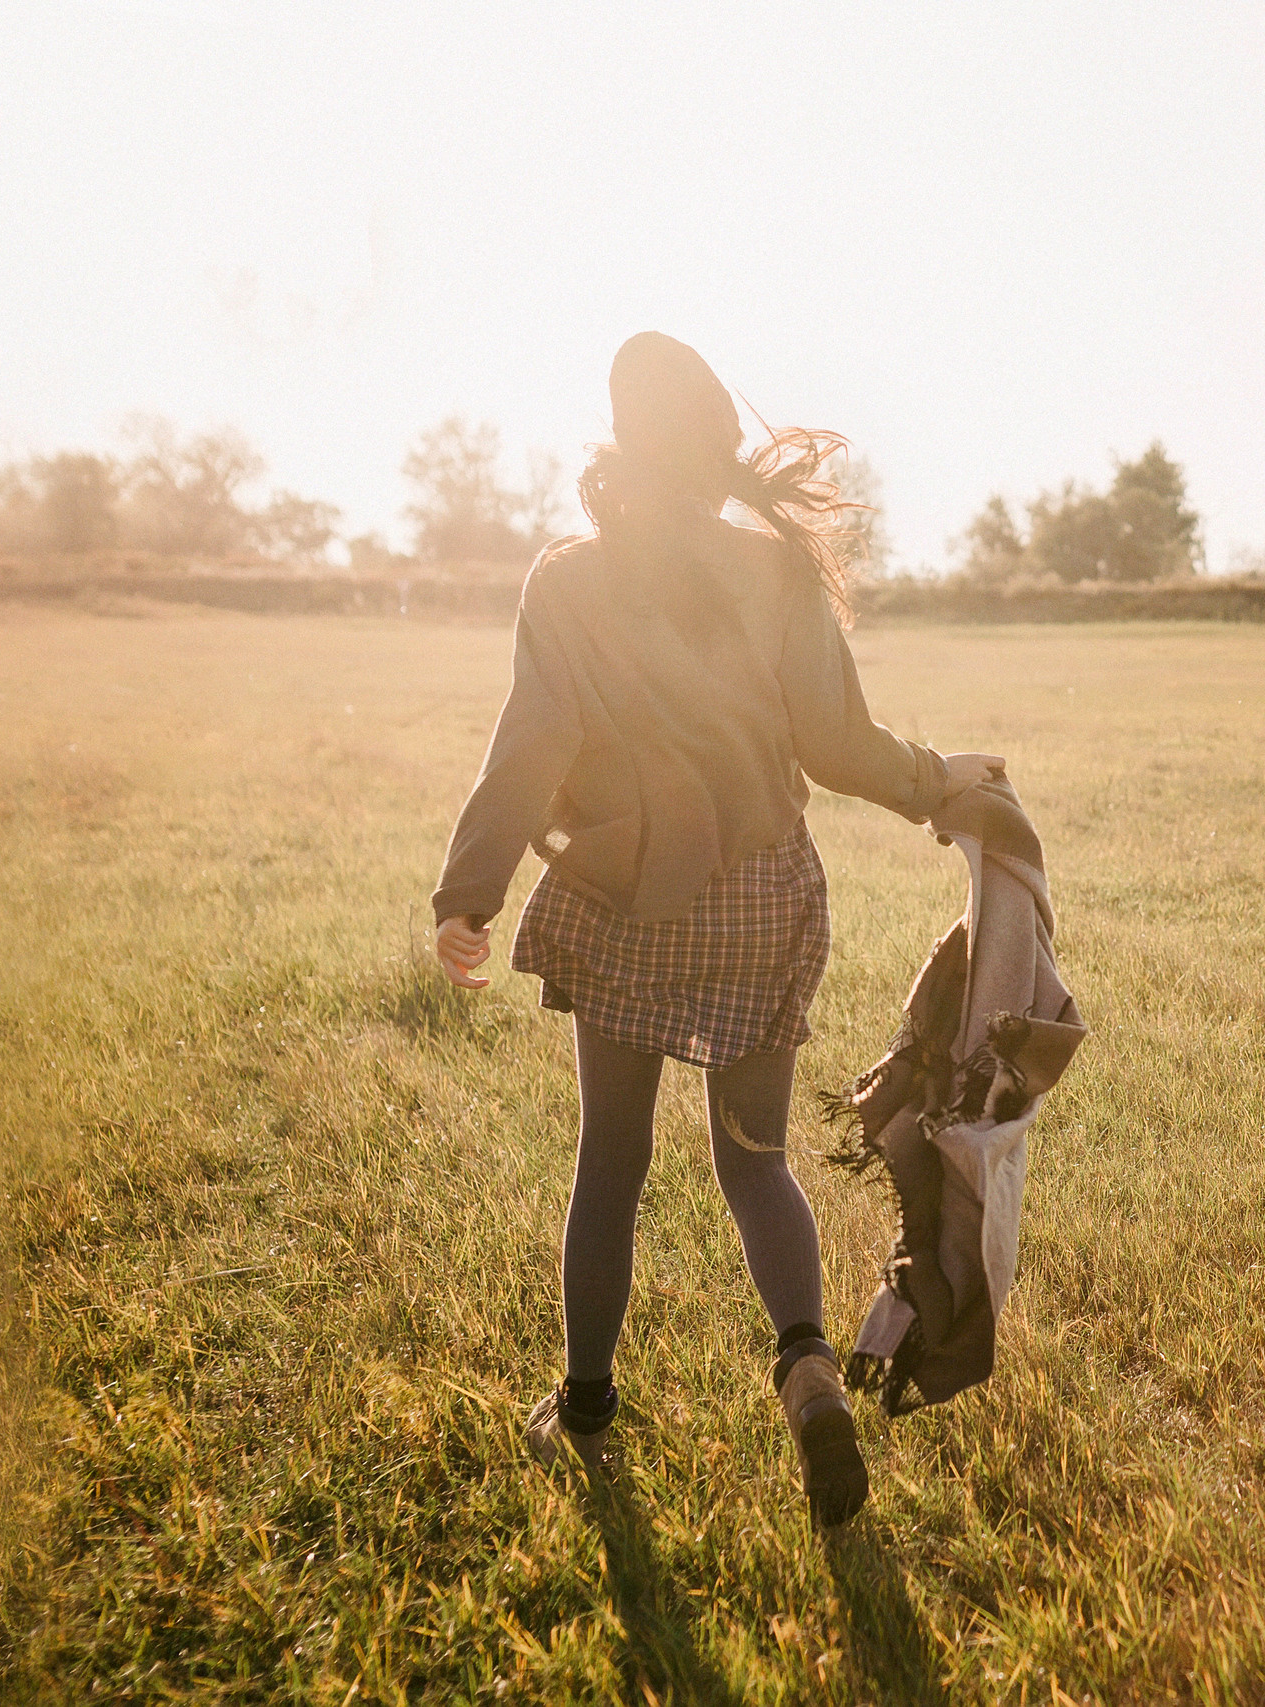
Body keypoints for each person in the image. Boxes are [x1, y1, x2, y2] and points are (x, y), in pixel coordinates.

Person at [429, 331, 1001, 1525]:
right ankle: (804, 1365)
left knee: (612, 1164)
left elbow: (530, 745)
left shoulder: (568, 578)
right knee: (755, 1161)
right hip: (759, 900)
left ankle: (585, 1407)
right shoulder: (775, 574)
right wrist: (939, 777)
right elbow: (839, 748)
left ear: (624, 443)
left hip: (628, 907)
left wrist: (468, 895)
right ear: (720, 448)